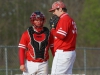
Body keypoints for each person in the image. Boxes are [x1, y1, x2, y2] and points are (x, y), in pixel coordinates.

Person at [18, 11, 54, 75]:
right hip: (30, 64)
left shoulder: (48, 34)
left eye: (40, 20)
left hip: (43, 64)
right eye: (36, 20)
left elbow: (53, 48)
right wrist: (22, 64)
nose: (39, 22)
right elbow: (21, 49)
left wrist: (56, 60)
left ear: (43, 21)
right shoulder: (26, 34)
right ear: (32, 21)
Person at [49, 1, 77, 74]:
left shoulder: (64, 19)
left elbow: (61, 35)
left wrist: (53, 30)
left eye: (54, 10)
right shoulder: (70, 19)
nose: (53, 13)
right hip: (70, 52)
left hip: (63, 53)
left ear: (60, 9)